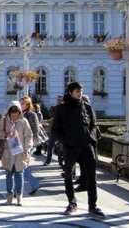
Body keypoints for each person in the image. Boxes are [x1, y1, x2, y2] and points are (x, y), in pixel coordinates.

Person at [52, 82, 105, 219]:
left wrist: (90, 138)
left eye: (80, 91)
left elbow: (93, 125)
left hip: (87, 146)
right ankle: (72, 203)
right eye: (77, 91)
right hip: (71, 147)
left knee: (92, 176)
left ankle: (93, 206)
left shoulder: (86, 107)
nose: (80, 93)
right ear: (70, 92)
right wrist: (67, 141)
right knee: (69, 175)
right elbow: (55, 129)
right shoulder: (62, 109)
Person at [0, 101, 33, 206]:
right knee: (9, 174)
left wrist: (27, 148)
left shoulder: (23, 121)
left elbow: (29, 136)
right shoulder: (4, 121)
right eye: (12, 114)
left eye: (16, 114)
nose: (14, 116)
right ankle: (9, 195)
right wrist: (6, 135)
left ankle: (19, 196)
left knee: (19, 174)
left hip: (20, 152)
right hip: (8, 151)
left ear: (19, 113)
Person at [19, 97, 44, 195]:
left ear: (28, 104)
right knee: (21, 165)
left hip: (29, 144)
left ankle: (33, 184)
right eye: (20, 103)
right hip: (21, 143)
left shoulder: (31, 114)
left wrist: (31, 145)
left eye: (23, 104)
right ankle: (34, 184)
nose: (21, 105)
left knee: (21, 165)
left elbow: (35, 130)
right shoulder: (21, 114)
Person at [45, 95, 64, 166]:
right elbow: (52, 116)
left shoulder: (64, 108)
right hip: (53, 130)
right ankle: (48, 160)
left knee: (60, 147)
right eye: (58, 100)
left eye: (60, 100)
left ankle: (60, 162)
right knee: (50, 145)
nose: (59, 101)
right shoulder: (53, 108)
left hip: (61, 131)